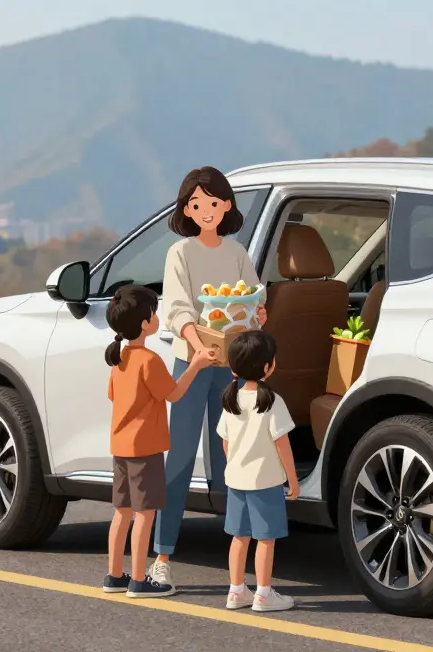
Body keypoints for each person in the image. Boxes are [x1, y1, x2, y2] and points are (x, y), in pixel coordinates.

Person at [151, 166, 268, 586]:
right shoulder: (179, 253)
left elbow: (254, 294)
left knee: (233, 458)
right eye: (196, 204)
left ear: (227, 207)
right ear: (186, 209)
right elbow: (177, 308)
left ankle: (243, 562)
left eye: (213, 204)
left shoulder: (236, 253)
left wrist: (258, 312)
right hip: (192, 363)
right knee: (179, 459)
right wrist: (195, 342)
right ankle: (162, 556)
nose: (206, 211)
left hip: (232, 365)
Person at [102, 285, 213, 598]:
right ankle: (139, 579)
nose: (157, 317)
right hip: (144, 449)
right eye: (153, 312)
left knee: (122, 512)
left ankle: (114, 575)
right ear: (143, 324)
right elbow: (174, 394)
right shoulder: (149, 361)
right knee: (145, 514)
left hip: (121, 447)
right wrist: (197, 364)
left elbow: (113, 395)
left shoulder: (119, 358)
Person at [216, 330, 298, 613]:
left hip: (236, 480)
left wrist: (235, 465)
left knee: (239, 537)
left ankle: (236, 590)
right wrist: (292, 479)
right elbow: (282, 444)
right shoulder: (272, 401)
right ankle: (263, 593)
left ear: (233, 368)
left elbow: (225, 442)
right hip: (266, 481)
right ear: (268, 366)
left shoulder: (231, 400)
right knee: (265, 538)